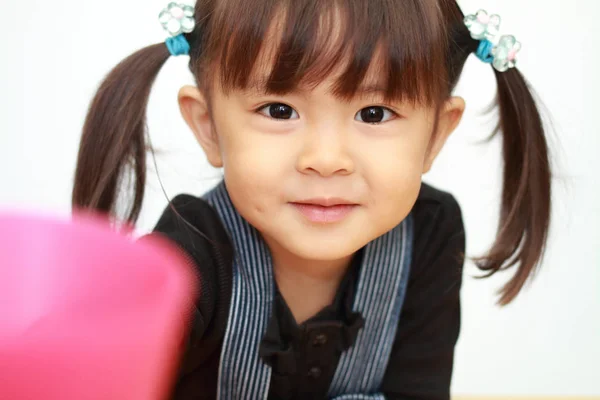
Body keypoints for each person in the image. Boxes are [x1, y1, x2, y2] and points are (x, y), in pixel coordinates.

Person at [71, 1, 552, 399]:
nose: (326, 160)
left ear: (435, 136)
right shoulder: (188, 257)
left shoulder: (428, 232)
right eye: (279, 110)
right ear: (208, 125)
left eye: (374, 112)